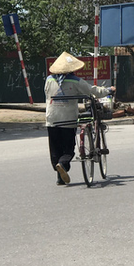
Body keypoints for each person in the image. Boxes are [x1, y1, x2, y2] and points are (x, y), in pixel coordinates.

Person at [45, 51, 115, 186]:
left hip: (52, 120)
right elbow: (93, 91)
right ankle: (63, 164)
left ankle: (59, 174)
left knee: (55, 149)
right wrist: (109, 90)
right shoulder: (75, 81)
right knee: (68, 149)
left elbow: (47, 94)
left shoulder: (49, 80)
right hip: (68, 120)